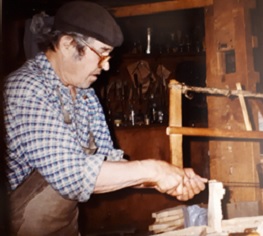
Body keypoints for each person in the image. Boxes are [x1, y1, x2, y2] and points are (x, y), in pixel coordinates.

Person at [3, 1, 208, 235]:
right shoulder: (26, 89)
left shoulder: (85, 95)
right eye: (101, 53)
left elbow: (108, 164)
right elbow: (73, 175)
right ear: (68, 44)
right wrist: (154, 170)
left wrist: (168, 178)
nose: (107, 66)